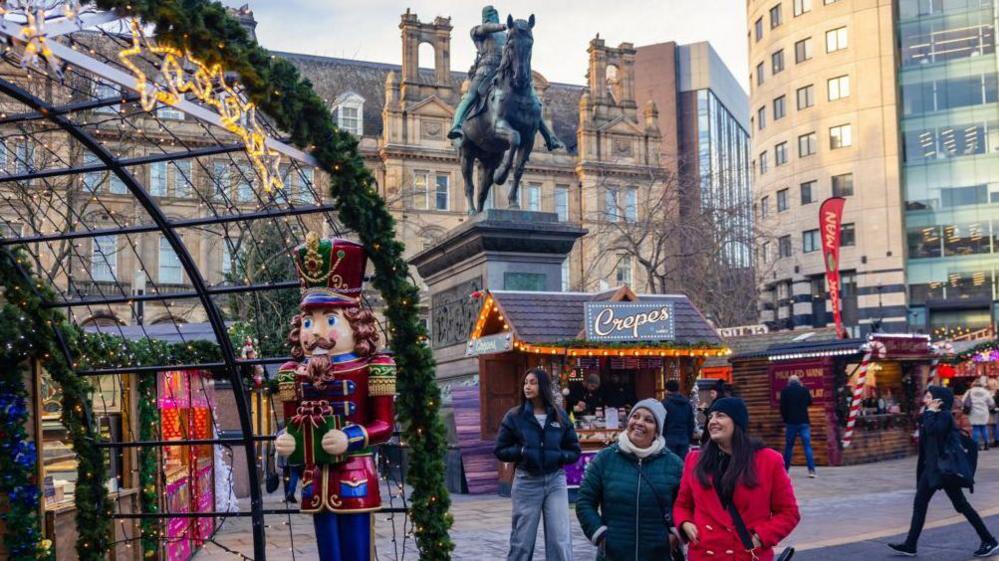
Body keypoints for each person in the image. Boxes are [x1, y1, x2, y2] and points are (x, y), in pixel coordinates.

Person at [675, 397, 800, 561]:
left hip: (746, 555)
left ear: (737, 422)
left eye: (720, 415)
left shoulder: (768, 461)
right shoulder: (694, 460)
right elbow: (682, 505)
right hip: (704, 554)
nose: (712, 421)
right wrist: (685, 523)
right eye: (710, 416)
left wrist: (760, 537)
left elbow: (789, 513)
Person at [889, 386, 998, 557]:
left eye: (930, 396)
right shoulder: (930, 415)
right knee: (920, 504)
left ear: (939, 400)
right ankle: (910, 545)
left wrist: (930, 412)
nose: (926, 399)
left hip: (944, 470)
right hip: (931, 469)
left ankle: (989, 540)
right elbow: (926, 443)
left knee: (961, 505)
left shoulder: (945, 416)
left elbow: (935, 432)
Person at [576, 399, 684, 561]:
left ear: (657, 430)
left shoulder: (674, 464)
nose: (639, 423)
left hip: (659, 554)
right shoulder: (605, 459)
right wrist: (600, 534)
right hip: (613, 554)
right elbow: (584, 501)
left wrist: (676, 535)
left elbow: (687, 504)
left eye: (648, 420)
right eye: (636, 416)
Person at [448, 5, 562, 151]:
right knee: (470, 96)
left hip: (504, 70)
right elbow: (484, 28)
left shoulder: (507, 34)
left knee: (532, 101)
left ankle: (549, 137)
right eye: (490, 14)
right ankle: (456, 126)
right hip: (484, 70)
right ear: (485, 17)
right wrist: (502, 26)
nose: (493, 15)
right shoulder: (479, 32)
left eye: (495, 14)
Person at [495, 367, 581, 561]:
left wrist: (559, 456)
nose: (528, 386)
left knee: (560, 539)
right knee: (522, 541)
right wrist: (522, 451)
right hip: (526, 481)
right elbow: (500, 450)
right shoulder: (515, 416)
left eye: (533, 382)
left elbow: (574, 450)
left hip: (555, 481)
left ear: (543, 386)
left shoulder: (559, 416)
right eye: (526, 382)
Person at [780, 375, 816, 477]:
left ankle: (785, 471)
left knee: (789, 447)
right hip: (804, 421)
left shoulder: (785, 391)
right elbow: (810, 402)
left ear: (789, 382)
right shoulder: (804, 390)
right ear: (798, 381)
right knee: (807, 446)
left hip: (791, 422)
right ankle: (811, 471)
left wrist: (785, 419)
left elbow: (782, 407)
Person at [663, 380, 696, 458]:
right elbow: (691, 423)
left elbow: (662, 423)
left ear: (667, 390)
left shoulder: (665, 404)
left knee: (670, 464)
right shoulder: (687, 403)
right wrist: (689, 438)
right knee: (683, 465)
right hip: (684, 438)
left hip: (669, 439)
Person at [964, 377, 995, 451]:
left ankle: (976, 445)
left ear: (973, 384)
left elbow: (964, 401)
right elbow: (991, 402)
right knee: (984, 428)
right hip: (984, 412)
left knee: (975, 428)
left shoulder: (969, 391)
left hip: (973, 412)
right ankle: (986, 444)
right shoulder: (985, 392)